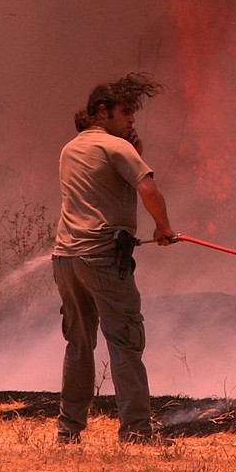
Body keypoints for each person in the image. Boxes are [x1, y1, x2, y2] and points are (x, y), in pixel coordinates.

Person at [52, 72, 177, 444]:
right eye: (126, 114)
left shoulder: (70, 148)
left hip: (66, 259)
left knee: (78, 344)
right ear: (102, 112)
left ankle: (68, 431)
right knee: (124, 341)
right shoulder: (116, 148)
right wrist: (163, 228)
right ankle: (137, 432)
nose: (131, 121)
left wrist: (130, 147)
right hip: (103, 258)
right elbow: (148, 189)